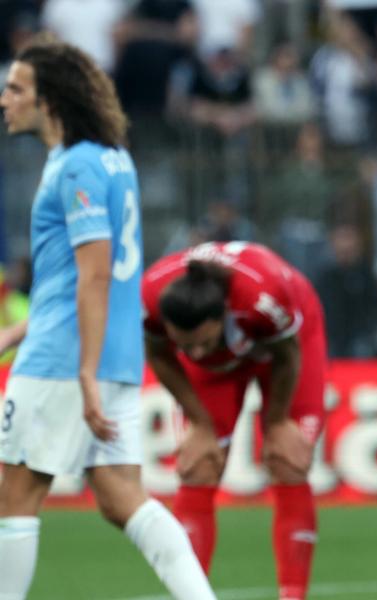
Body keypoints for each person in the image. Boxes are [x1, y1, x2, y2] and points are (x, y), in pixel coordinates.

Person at [0, 35, 216, 600]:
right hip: (113, 352)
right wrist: (16, 331)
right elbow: (79, 282)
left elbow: (95, 274)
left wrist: (85, 373)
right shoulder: (113, 159)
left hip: (70, 360)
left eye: (16, 88)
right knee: (122, 496)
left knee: (14, 493)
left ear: (49, 99)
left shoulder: (73, 168)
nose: (5, 98)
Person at [142, 241, 327, 600]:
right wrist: (200, 423)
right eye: (186, 346)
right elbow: (159, 356)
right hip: (217, 372)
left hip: (289, 346)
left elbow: (288, 356)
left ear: (222, 315)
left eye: (203, 341)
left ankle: (293, 595)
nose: (195, 352)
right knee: (199, 465)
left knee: (287, 461)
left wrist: (275, 424)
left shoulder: (263, 296)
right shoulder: (150, 299)